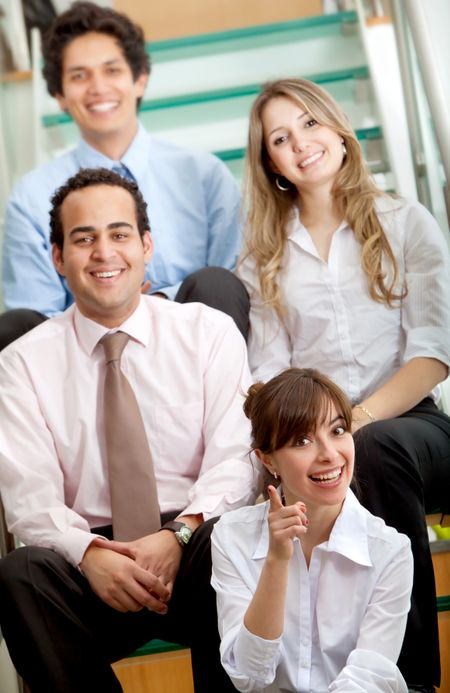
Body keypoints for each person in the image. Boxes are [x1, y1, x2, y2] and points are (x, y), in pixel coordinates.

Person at [0, 167, 257, 692]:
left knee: (230, 539)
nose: (103, 252)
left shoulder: (207, 332)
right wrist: (90, 555)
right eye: (83, 238)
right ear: (58, 258)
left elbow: (237, 458)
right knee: (21, 572)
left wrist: (177, 534)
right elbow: (29, 494)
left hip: (193, 546)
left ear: (146, 246)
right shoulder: (21, 363)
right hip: (94, 561)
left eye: (118, 234)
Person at [236, 78, 450, 692]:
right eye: (281, 138)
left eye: (309, 124)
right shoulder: (262, 258)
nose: (301, 144)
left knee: (375, 451)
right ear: (270, 163)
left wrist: (351, 422)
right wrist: (305, 443)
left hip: (414, 423)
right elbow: (271, 374)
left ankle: (410, 681)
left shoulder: (404, 220)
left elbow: (433, 354)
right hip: (319, 438)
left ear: (336, 127)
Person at [1, 1, 248, 347]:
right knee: (15, 326)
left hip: (190, 348)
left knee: (217, 283)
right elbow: (36, 316)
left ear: (140, 80)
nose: (98, 87)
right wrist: (105, 308)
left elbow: (235, 285)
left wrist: (151, 304)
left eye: (112, 70)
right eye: (79, 75)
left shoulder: (204, 175)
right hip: (82, 357)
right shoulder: (30, 197)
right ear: (59, 95)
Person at [211, 367, 413, 692]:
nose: (330, 455)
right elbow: (249, 676)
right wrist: (276, 561)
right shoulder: (231, 537)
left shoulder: (389, 551)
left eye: (337, 430)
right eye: (303, 440)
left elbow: (368, 679)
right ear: (269, 461)